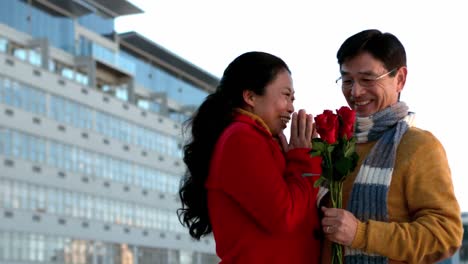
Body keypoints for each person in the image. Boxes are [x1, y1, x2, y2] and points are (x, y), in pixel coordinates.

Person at [319, 29, 463, 263]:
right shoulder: (334, 145)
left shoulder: (419, 146)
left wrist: (361, 234)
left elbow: (445, 236)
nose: (355, 92)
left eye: (367, 79)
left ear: (400, 79)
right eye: (347, 80)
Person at [178, 51, 323, 263]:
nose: (291, 107)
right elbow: (284, 216)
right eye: (285, 95)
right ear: (251, 97)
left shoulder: (259, 139)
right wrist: (301, 158)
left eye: (293, 98)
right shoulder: (242, 138)